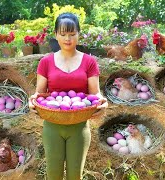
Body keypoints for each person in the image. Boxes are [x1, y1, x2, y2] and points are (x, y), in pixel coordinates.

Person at [29, 13, 108, 180]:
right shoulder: (46, 62)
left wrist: (102, 104)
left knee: (75, 176)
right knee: (53, 175)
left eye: (72, 34)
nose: (68, 39)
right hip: (52, 126)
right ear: (56, 34)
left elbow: (95, 95)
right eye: (63, 34)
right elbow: (40, 94)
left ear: (79, 34)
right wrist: (33, 101)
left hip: (79, 127)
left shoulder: (89, 62)